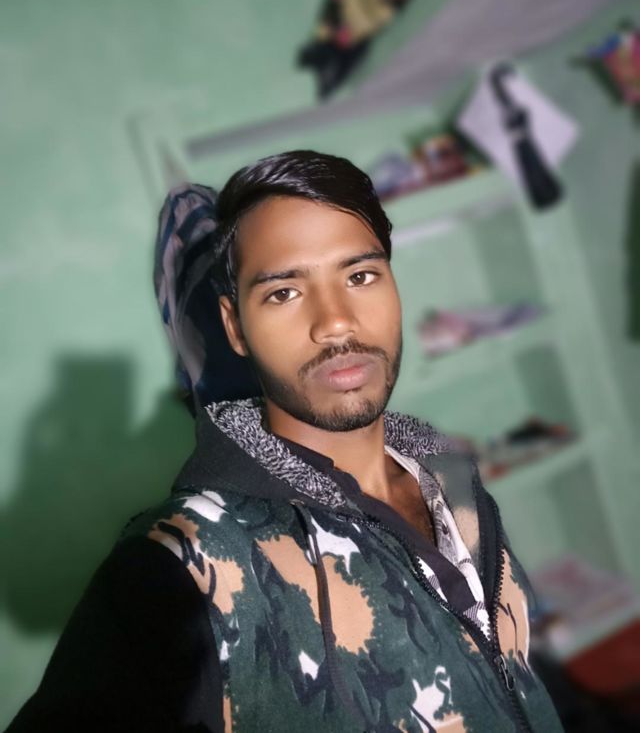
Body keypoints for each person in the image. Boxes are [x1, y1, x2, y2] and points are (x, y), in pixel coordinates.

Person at [8, 151, 563, 732]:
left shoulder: (447, 471)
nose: (336, 322)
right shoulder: (188, 561)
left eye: (360, 276)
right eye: (283, 293)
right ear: (234, 327)